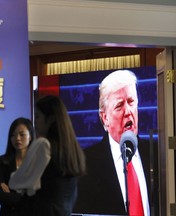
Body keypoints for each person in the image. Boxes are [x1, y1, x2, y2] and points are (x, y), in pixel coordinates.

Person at [76, 70, 152, 215]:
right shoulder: (86, 164)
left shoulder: (156, 154)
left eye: (131, 102)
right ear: (105, 118)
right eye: (119, 106)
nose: (128, 111)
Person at [9, 95, 86, 216]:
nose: (35, 123)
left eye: (38, 117)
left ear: (50, 119)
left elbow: (17, 181)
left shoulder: (43, 145)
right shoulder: (73, 151)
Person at [0, 117, 35, 216]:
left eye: (22, 134)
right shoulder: (2, 162)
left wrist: (12, 194)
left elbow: (39, 197)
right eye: (13, 135)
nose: (17, 138)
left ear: (30, 137)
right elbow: (1, 196)